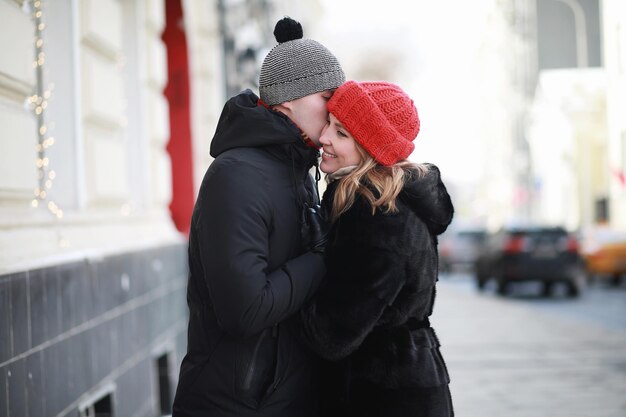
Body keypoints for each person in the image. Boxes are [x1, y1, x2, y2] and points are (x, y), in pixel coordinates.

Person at [172, 17, 345, 417]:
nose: (338, 107)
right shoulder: (235, 177)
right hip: (234, 404)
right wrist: (321, 258)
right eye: (328, 95)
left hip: (285, 397)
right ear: (289, 102)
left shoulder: (298, 169)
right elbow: (245, 310)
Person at [297, 80, 455, 417]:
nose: (323, 137)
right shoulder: (381, 203)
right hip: (402, 386)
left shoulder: (375, 216)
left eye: (341, 133)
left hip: (381, 396)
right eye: (329, 124)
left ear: (371, 149)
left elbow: (330, 333)